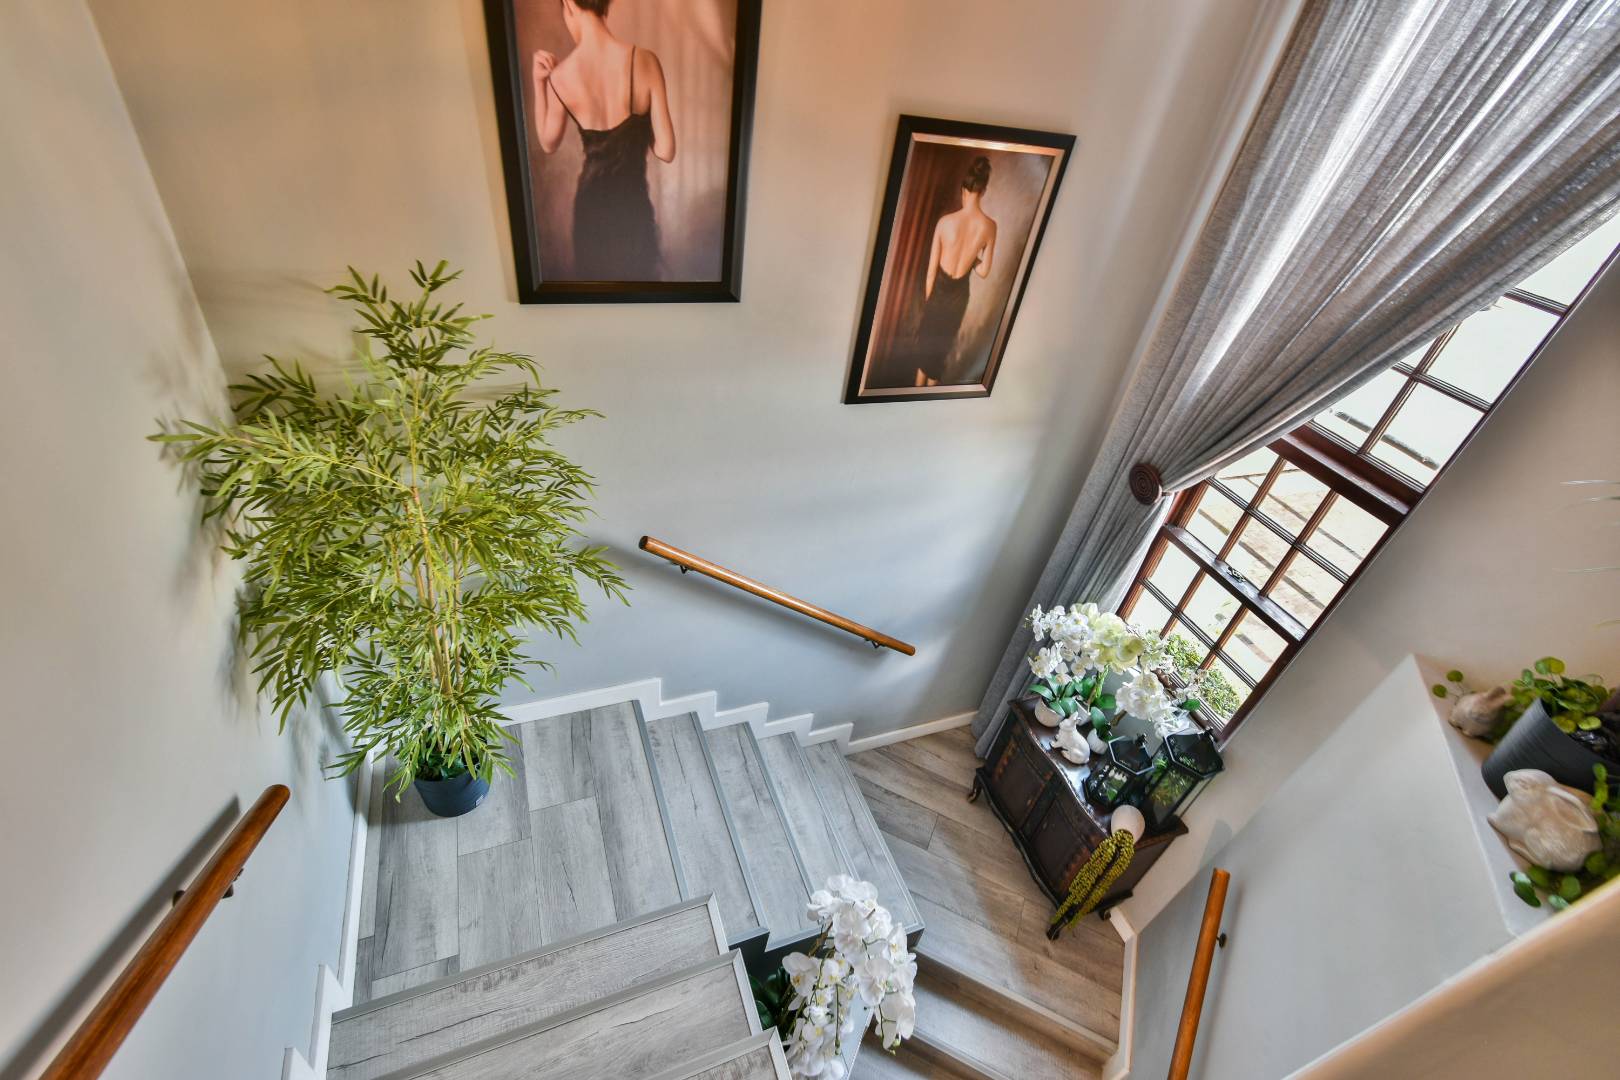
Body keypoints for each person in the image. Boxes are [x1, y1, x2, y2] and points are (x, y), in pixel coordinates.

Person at [530, 0, 676, 280]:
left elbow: (548, 143)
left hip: (591, 207)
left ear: (569, 3)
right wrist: (638, 126)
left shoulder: (560, 76)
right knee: (641, 289)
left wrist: (539, 82)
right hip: (632, 206)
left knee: (595, 292)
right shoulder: (645, 60)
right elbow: (666, 150)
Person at [913, 156, 997, 386]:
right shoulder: (990, 227)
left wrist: (929, 306)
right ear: (984, 191)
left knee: (924, 355)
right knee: (938, 358)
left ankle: (913, 397)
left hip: (937, 296)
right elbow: (984, 271)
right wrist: (972, 259)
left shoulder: (945, 222)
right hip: (959, 299)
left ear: (963, 190)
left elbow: (931, 272)